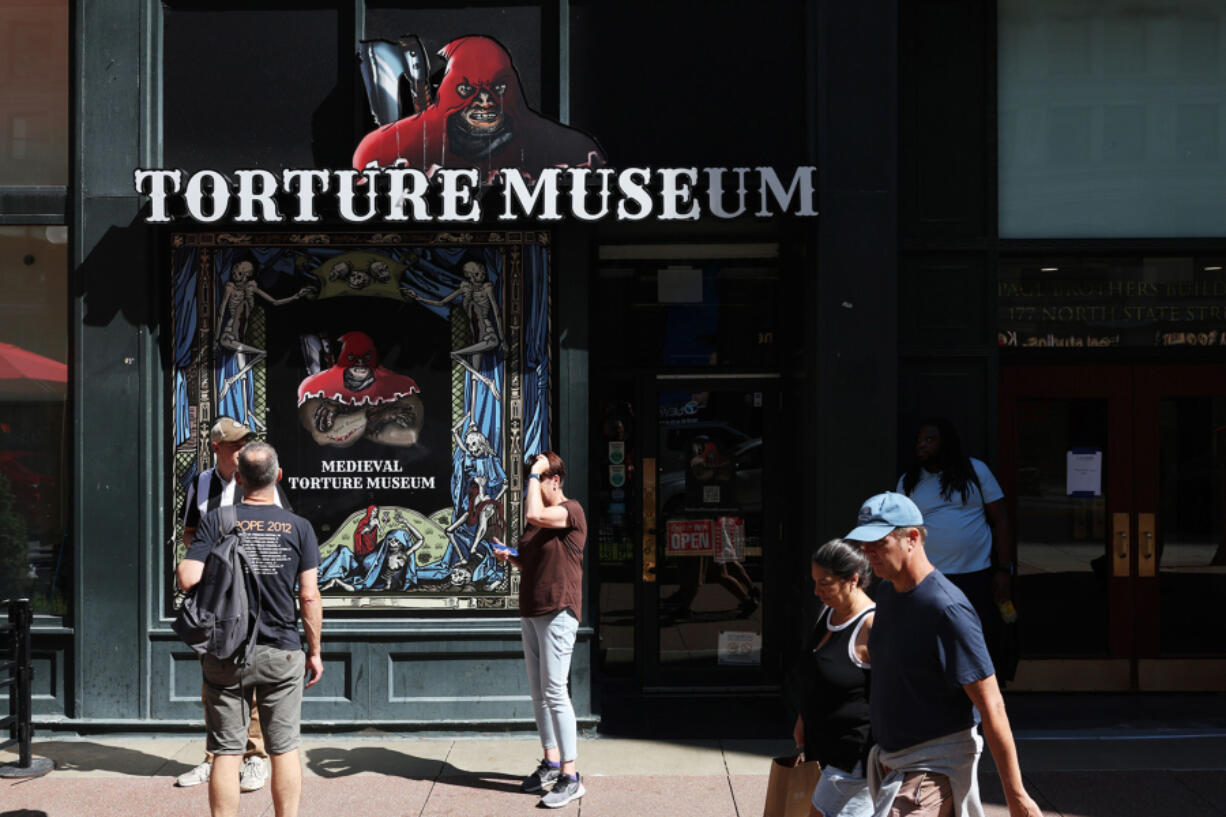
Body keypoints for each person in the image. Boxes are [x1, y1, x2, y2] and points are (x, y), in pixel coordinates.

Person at [843, 492, 1041, 817]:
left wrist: (1016, 795)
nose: (868, 553)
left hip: (936, 763)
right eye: (864, 545)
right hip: (891, 761)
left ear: (913, 538)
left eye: (878, 542)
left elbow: (991, 704)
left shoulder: (947, 608)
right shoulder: (887, 592)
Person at [177, 442, 323, 817]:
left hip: (226, 649)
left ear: (239, 479)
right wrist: (315, 651)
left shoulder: (217, 520)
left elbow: (187, 577)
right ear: (278, 476)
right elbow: (309, 597)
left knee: (226, 751)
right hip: (282, 648)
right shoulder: (300, 528)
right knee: (284, 748)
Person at [176, 417, 291, 792]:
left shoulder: (260, 481)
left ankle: (255, 758)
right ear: (216, 448)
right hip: (214, 600)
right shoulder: (200, 484)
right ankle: (217, 758)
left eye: (246, 442)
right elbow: (190, 533)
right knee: (216, 681)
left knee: (255, 678)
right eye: (235, 444)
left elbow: (283, 530)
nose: (242, 449)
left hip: (256, 599)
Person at [492, 451, 587, 808]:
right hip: (531, 611)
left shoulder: (571, 510)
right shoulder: (538, 525)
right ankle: (550, 762)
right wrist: (512, 558)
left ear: (555, 480)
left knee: (555, 691)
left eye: (541, 477)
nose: (533, 482)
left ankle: (571, 775)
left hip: (559, 610)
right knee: (538, 694)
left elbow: (534, 512)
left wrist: (534, 473)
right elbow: (536, 558)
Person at [897, 418, 1013, 675]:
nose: (922, 446)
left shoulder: (975, 471)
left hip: (976, 576)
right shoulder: (909, 482)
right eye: (919, 441)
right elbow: (900, 533)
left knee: (976, 642)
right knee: (932, 644)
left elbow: (1001, 518)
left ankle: (977, 702)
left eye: (929, 440)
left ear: (946, 443)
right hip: (929, 578)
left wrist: (1004, 569)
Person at [790, 540, 875, 817]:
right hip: (822, 746)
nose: (817, 591)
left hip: (852, 754)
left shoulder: (872, 625)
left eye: (825, 583)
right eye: (815, 582)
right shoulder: (828, 612)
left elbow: (891, 693)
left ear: (853, 579)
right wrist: (804, 717)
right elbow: (814, 674)